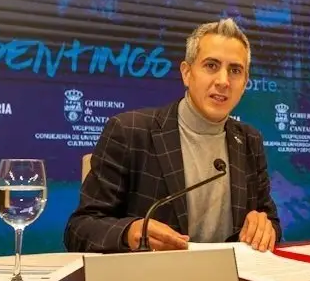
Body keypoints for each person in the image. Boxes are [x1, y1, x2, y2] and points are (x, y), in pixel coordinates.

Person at [64, 18, 282, 253]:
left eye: (235, 70)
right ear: (186, 73)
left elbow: (271, 221)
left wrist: (265, 228)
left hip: (233, 273)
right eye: (211, 65)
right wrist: (129, 233)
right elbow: (79, 229)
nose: (223, 81)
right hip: (154, 274)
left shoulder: (250, 140)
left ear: (245, 82)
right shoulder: (129, 131)